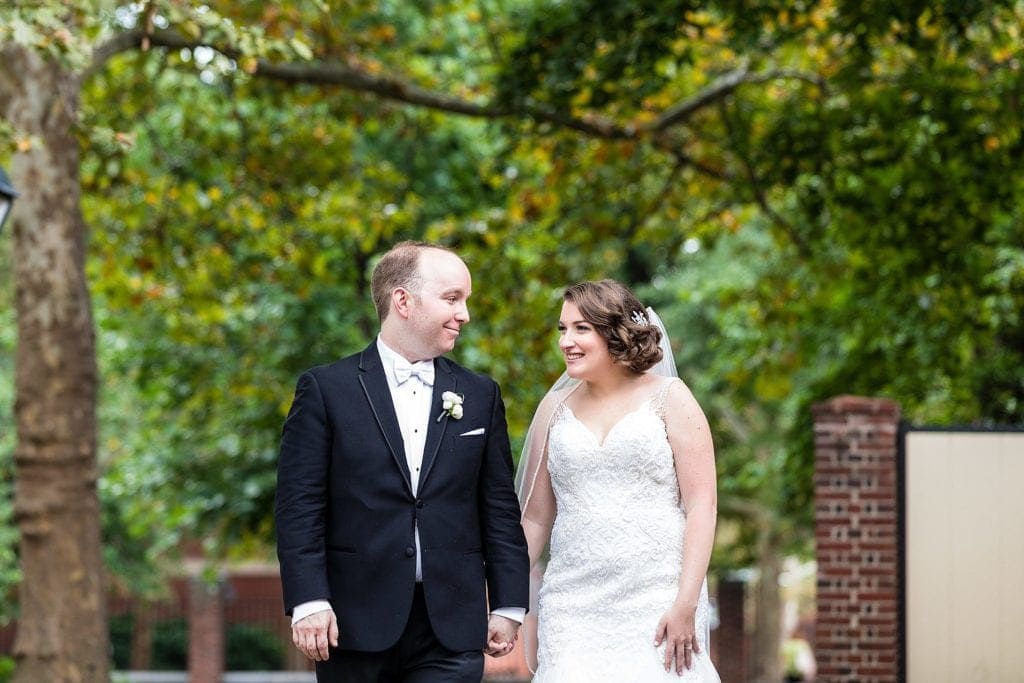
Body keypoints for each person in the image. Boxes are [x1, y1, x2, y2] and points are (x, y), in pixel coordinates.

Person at [275, 241, 530, 682]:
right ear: (403, 301)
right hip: (351, 623)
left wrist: (509, 605)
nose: (464, 314)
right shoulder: (325, 390)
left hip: (451, 626)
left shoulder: (481, 394)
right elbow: (300, 507)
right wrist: (309, 601)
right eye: (452, 298)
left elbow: (499, 508)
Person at [517, 279, 720, 682]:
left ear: (615, 332)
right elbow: (536, 518)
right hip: (572, 604)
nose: (565, 341)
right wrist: (503, 599)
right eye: (562, 328)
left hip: (657, 598)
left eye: (580, 328)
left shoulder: (672, 398)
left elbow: (702, 506)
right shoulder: (553, 409)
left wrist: (685, 603)